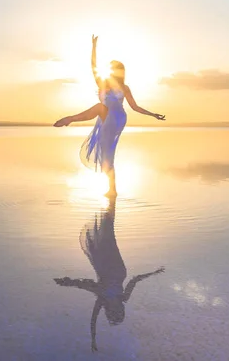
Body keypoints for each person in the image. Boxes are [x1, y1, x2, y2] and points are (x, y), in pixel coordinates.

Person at [54, 35, 165, 195]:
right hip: (112, 118)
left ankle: (70, 119)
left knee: (100, 108)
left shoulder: (117, 86)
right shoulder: (108, 84)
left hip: (115, 116)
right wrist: (93, 47)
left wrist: (153, 114)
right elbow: (93, 68)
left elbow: (135, 107)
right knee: (107, 151)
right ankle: (112, 189)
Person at [54, 195, 165, 352]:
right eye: (119, 311)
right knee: (109, 235)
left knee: (104, 236)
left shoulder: (102, 299)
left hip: (106, 265)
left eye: (116, 312)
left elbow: (92, 315)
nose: (118, 309)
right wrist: (153, 273)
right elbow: (135, 280)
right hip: (117, 266)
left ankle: (109, 208)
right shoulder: (122, 297)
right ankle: (109, 207)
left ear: (111, 311)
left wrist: (93, 338)